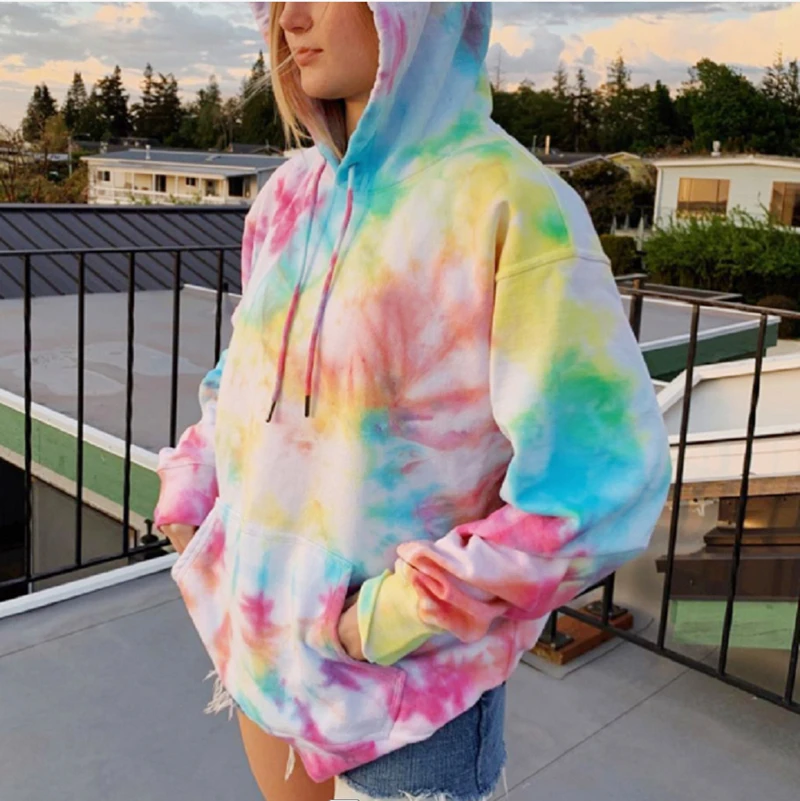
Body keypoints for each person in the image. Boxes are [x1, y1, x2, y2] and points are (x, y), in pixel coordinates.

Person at [154, 3, 672, 800]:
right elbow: (245, 374)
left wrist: (391, 618)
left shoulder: (508, 203)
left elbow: (601, 483)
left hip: (403, 695)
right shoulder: (289, 196)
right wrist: (193, 492)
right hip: (263, 652)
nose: (291, 18)